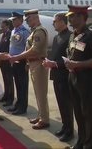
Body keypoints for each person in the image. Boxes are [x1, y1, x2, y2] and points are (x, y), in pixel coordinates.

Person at [9, 9, 49, 130]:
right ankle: (41, 115)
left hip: (39, 64)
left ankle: (45, 120)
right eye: (27, 20)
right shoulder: (34, 31)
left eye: (29, 19)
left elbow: (35, 50)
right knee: (38, 93)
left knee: (41, 93)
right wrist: (27, 62)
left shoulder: (40, 31)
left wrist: (18, 57)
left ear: (36, 18)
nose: (28, 22)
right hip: (33, 64)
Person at [42, 12, 74, 142]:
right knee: (61, 104)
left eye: (55, 21)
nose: (53, 23)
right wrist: (47, 60)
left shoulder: (69, 37)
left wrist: (54, 63)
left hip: (65, 76)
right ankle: (65, 127)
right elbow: (55, 55)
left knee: (67, 105)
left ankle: (70, 131)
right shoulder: (56, 37)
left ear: (62, 21)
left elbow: (70, 58)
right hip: (56, 75)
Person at [64, 5, 92, 149]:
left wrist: (77, 64)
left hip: (86, 81)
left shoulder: (90, 36)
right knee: (78, 112)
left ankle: (88, 144)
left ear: (82, 18)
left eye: (72, 16)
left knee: (88, 114)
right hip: (73, 79)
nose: (69, 19)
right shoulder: (72, 35)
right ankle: (81, 142)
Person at [8, 12, 30, 115]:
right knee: (17, 84)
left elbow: (28, 48)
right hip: (13, 61)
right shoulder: (13, 31)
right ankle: (18, 104)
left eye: (15, 20)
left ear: (21, 20)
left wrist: (27, 62)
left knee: (23, 85)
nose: (12, 22)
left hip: (21, 61)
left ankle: (23, 107)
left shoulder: (24, 31)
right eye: (12, 20)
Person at [0, 19, 14, 107]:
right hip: (1, 61)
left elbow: (11, 47)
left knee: (9, 80)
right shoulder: (0, 36)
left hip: (7, 61)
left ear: (7, 26)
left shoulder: (11, 34)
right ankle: (6, 96)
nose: (1, 28)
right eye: (1, 26)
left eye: (3, 26)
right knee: (5, 79)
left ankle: (10, 99)